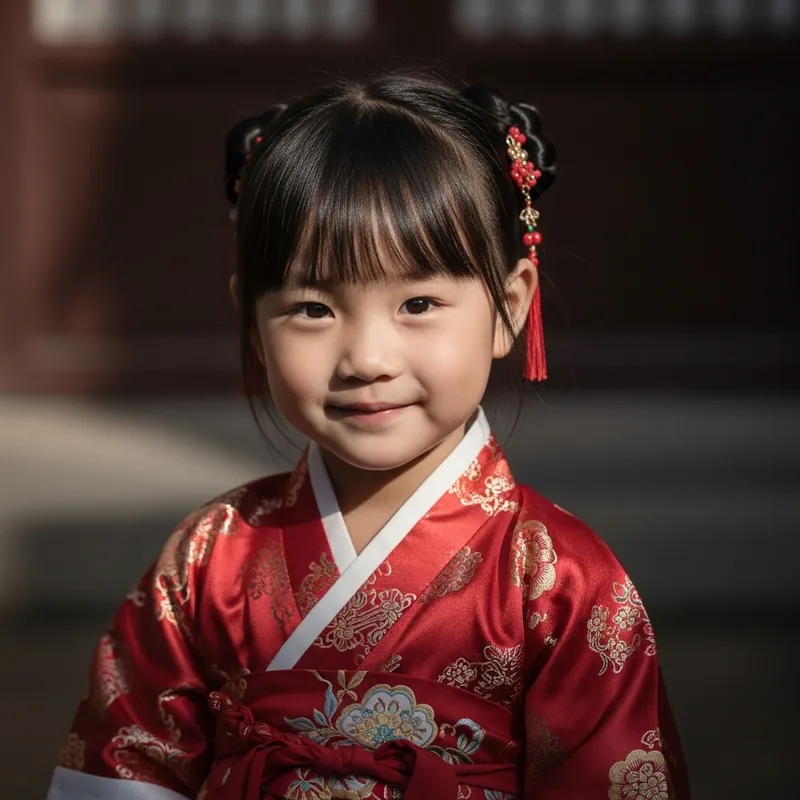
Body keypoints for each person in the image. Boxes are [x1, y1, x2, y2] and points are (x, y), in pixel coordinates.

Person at [46, 71, 690, 799]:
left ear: (510, 306)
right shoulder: (209, 558)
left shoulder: (562, 583)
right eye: (313, 308)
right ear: (252, 320)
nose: (367, 360)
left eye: (418, 301)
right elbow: (123, 770)